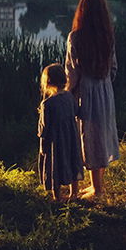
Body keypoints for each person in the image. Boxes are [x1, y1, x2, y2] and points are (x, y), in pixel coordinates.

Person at [65, 0, 119, 200]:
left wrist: (67, 93)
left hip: (86, 90)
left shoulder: (76, 37)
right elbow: (113, 67)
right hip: (105, 89)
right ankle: (98, 186)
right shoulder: (108, 35)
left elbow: (71, 71)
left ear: (82, 12)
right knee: (101, 135)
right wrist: (105, 84)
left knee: (89, 137)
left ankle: (97, 190)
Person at [37, 63, 84, 202]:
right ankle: (73, 193)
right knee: (72, 160)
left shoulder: (47, 104)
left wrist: (42, 146)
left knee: (54, 165)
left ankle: (57, 196)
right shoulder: (69, 97)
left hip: (54, 141)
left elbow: (44, 129)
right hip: (71, 138)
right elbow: (77, 112)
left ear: (48, 82)